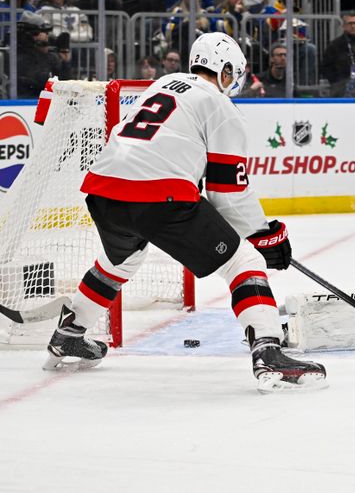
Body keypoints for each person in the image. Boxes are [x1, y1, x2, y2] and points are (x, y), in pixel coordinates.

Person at [43, 32, 326, 392]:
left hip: (102, 190)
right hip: (158, 196)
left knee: (122, 259)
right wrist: (263, 234)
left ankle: (68, 333)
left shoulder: (160, 85)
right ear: (225, 70)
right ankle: (269, 353)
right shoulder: (221, 107)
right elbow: (227, 191)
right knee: (245, 263)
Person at [16, 11, 71, 98]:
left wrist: (65, 62)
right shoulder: (18, 56)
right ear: (33, 34)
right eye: (44, 32)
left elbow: (65, 85)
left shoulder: (49, 56)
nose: (47, 37)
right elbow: (40, 82)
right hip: (27, 102)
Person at [321, 13, 355, 97]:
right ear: (343, 26)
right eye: (350, 23)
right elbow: (326, 68)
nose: (353, 26)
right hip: (341, 85)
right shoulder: (334, 45)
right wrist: (338, 82)